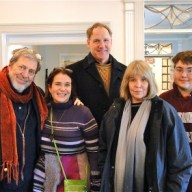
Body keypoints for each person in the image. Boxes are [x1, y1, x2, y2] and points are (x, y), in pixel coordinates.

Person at [99, 60, 192, 192]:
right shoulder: (114, 111)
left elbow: (181, 161)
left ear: (150, 82)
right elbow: (104, 150)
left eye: (143, 80)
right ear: (126, 83)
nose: (138, 85)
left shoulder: (163, 111)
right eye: (132, 80)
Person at [33, 67, 100, 192]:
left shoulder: (83, 113)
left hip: (74, 177)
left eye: (67, 85)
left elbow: (94, 152)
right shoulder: (42, 110)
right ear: (49, 87)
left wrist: (96, 183)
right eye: (58, 84)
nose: (62, 89)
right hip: (45, 177)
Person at [0, 47, 48, 191]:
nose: (25, 74)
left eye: (31, 71)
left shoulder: (38, 95)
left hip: (31, 182)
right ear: (10, 65)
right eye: (22, 67)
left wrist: (75, 99)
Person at [66, 22, 126, 127]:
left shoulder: (126, 71)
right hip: (86, 133)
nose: (102, 45)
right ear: (88, 43)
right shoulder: (72, 71)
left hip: (118, 134)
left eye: (106, 40)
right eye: (96, 41)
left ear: (111, 42)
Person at [159, 50, 192, 192]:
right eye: (179, 70)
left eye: (190, 70)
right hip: (173, 170)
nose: (184, 75)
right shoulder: (163, 101)